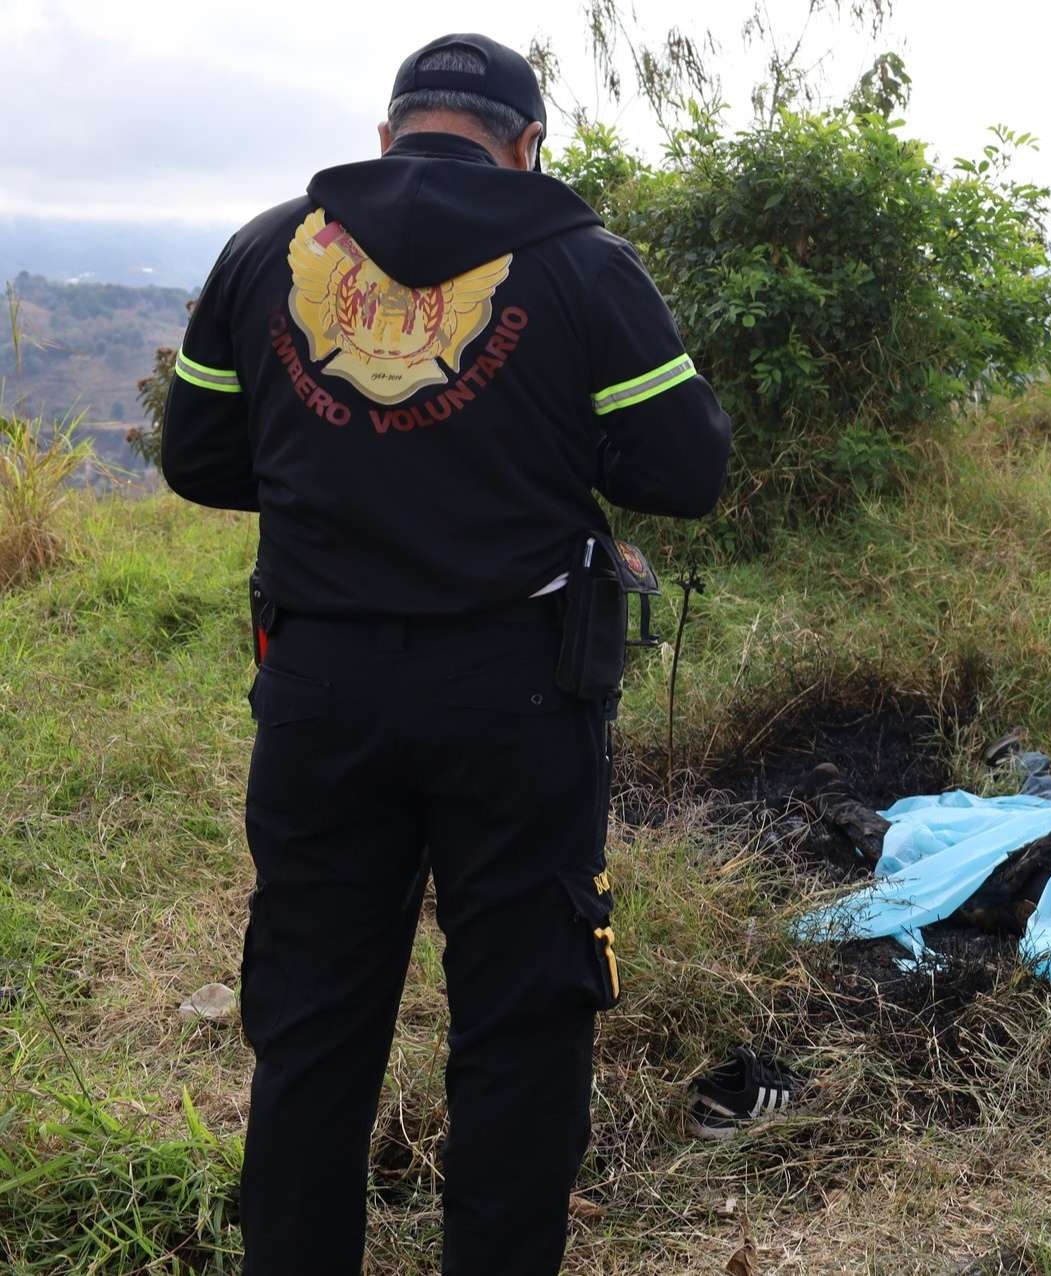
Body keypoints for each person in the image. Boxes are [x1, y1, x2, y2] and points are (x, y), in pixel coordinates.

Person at [159, 33, 732, 1275]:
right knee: (523, 1028)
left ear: (388, 134)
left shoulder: (273, 249)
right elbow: (687, 469)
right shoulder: (580, 261)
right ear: (526, 146)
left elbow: (197, 459)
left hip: (320, 691)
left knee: (310, 1030)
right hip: (517, 696)